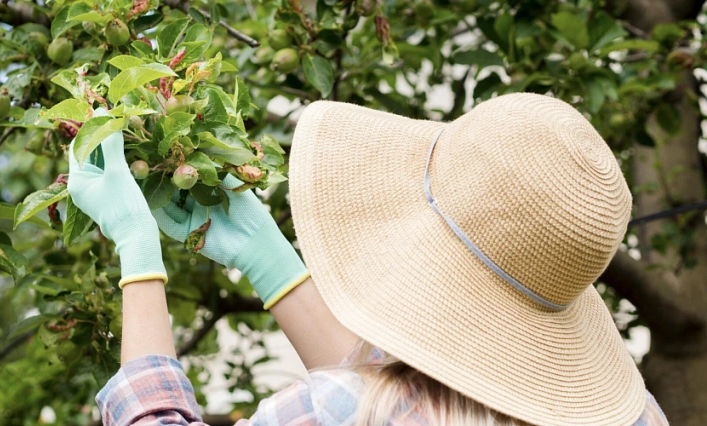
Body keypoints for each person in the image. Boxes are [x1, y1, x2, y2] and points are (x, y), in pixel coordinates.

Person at [68, 93, 669, 426]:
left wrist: (137, 251)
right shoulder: (637, 418)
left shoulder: (325, 412)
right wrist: (273, 265)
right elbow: (408, 399)